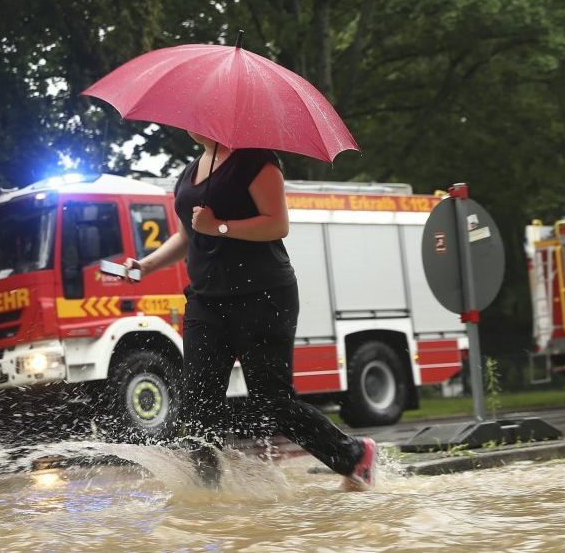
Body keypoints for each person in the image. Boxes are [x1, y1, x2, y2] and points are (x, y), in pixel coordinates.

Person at [125, 132, 377, 491]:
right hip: (206, 301)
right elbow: (186, 236)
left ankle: (354, 455)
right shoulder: (189, 172)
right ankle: (207, 492)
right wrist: (145, 266)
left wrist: (220, 227)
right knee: (198, 404)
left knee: (272, 402)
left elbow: (277, 224)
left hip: (263, 296)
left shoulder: (258, 160)